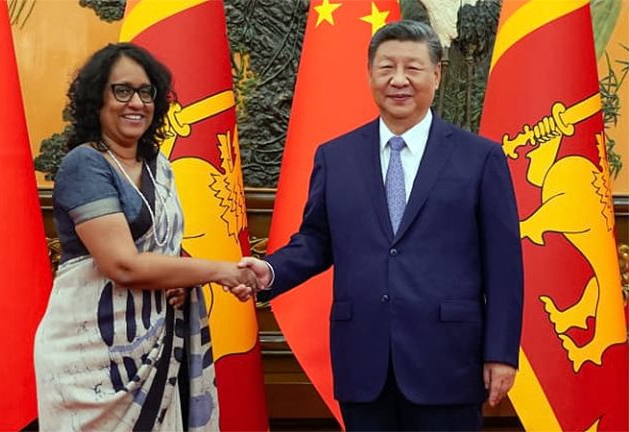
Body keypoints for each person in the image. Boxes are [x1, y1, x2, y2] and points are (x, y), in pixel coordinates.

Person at [237, 20, 524, 431]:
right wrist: (272, 270)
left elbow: (504, 268)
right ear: (370, 73)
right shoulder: (337, 157)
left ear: (437, 75)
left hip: (448, 361)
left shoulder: (479, 158)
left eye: (413, 68)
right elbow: (318, 241)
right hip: (363, 361)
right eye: (387, 67)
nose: (399, 80)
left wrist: (501, 352)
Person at [34, 42, 256, 431]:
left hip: (157, 352)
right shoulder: (85, 164)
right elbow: (124, 264)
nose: (135, 102)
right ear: (96, 100)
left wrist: (180, 282)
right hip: (89, 361)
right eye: (121, 90)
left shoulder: (159, 167)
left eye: (145, 91)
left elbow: (163, 249)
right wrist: (219, 271)